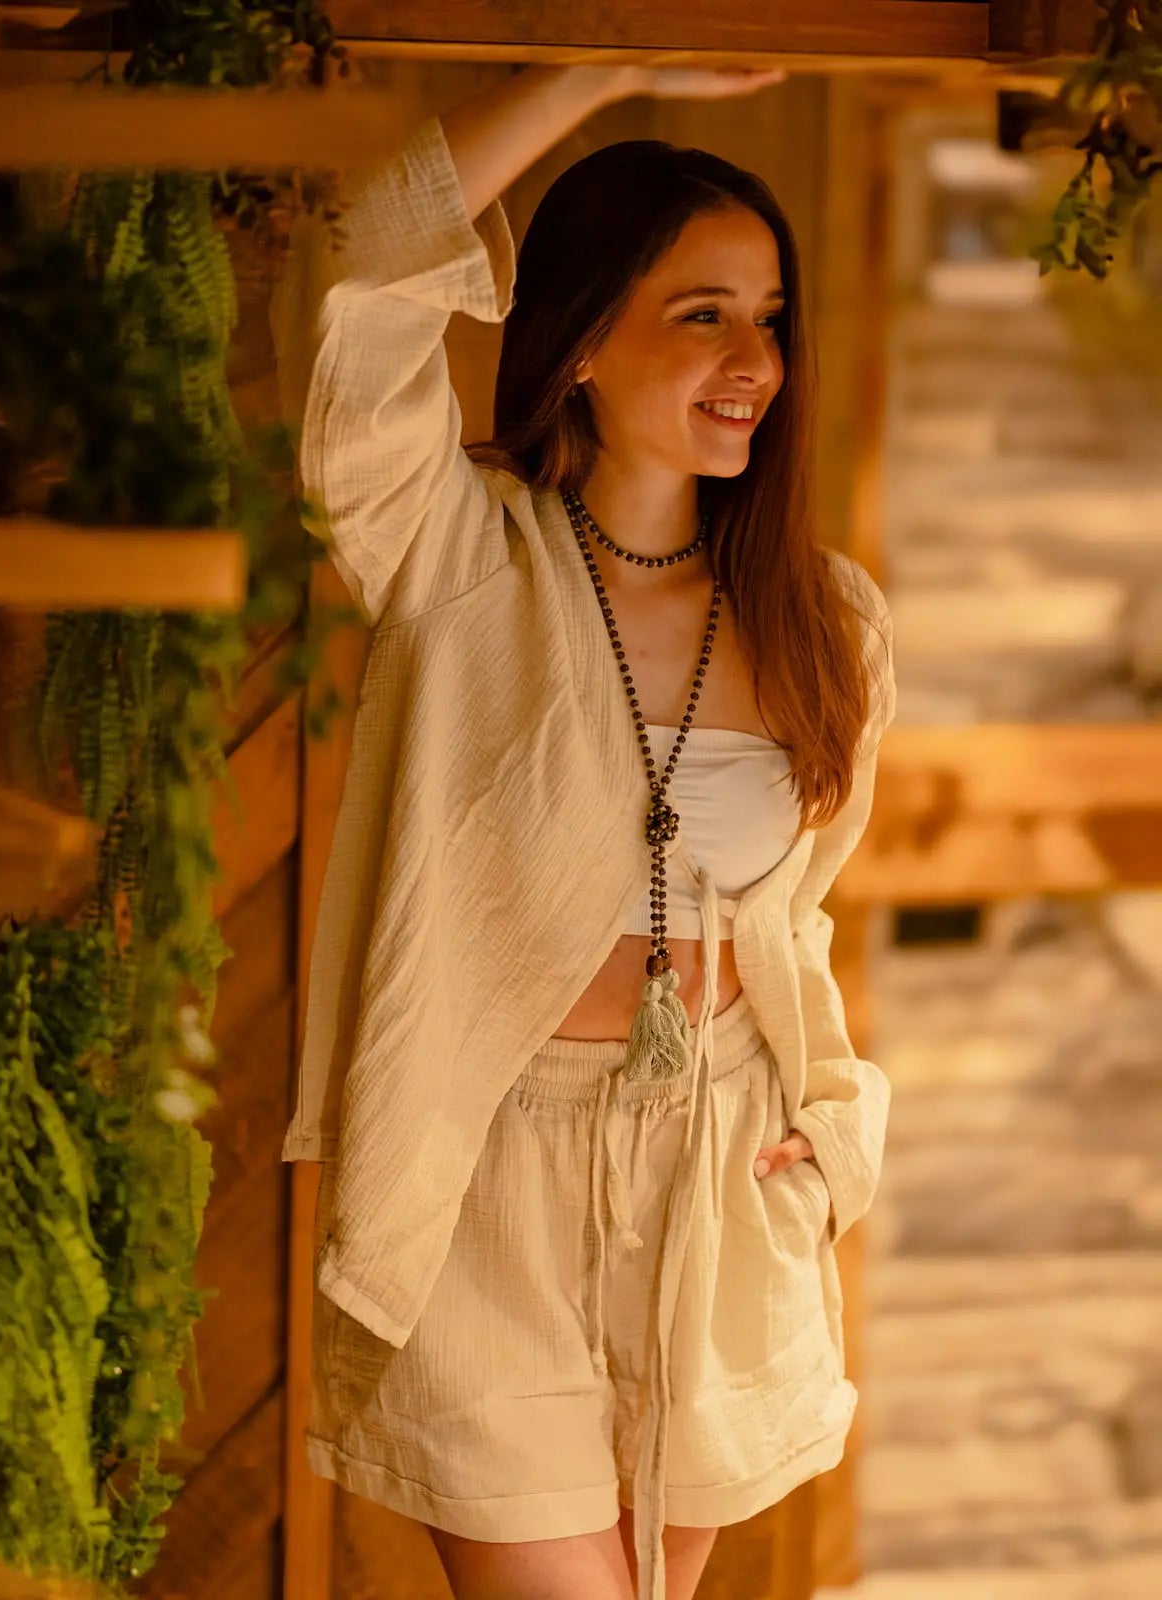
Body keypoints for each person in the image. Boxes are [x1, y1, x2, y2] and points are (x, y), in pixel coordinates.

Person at [272, 60, 897, 1600]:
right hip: (497, 1180)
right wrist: (601, 65)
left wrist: (823, 1139)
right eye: (701, 313)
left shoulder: (831, 624)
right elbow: (358, 272)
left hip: (727, 1174)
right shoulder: (457, 554)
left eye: (770, 316)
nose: (754, 356)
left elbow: (794, 914)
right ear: (578, 345)